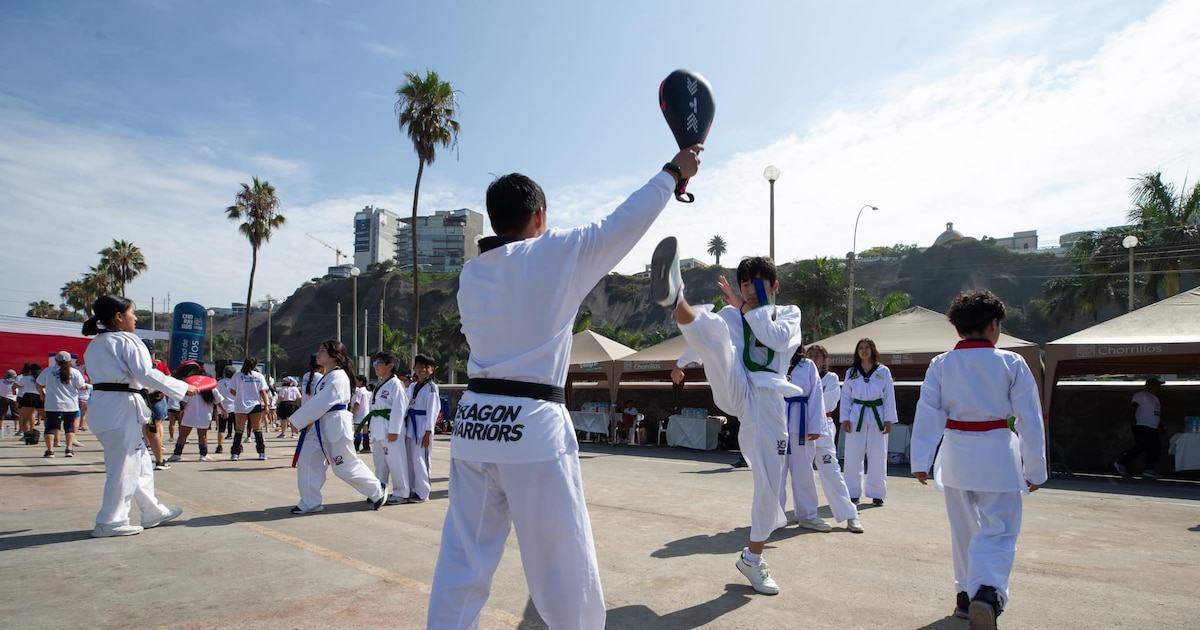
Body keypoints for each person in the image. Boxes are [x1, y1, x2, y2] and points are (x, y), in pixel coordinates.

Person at [428, 146, 702, 629]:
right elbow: (625, 222)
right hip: (532, 430)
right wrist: (673, 172)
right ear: (539, 215)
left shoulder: (472, 274)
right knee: (565, 574)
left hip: (474, 427)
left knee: (462, 565)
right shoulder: (555, 253)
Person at [649, 239, 801, 596]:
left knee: (769, 486)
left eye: (756, 284)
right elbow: (708, 338)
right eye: (744, 284)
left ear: (774, 286)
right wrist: (681, 363)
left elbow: (775, 337)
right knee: (718, 334)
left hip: (769, 401)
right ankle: (676, 298)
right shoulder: (734, 314)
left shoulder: (788, 313)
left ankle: (752, 558)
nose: (747, 290)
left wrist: (746, 309)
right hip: (739, 387)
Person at [911, 289, 1047, 628]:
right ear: (994, 325)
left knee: (963, 529)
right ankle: (986, 593)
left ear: (958, 329)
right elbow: (1029, 419)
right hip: (997, 454)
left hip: (955, 455)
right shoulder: (1011, 363)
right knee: (999, 530)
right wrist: (1035, 469)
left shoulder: (941, 364)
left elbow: (928, 413)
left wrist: (920, 460)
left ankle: (964, 596)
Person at [82, 295, 196, 537]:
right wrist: (183, 387)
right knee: (124, 466)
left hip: (105, 406)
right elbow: (145, 374)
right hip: (120, 408)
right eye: (132, 313)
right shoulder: (127, 340)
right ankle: (110, 521)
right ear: (118, 317)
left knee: (140, 461)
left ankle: (152, 511)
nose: (135, 318)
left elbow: (134, 378)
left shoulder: (96, 344)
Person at [286, 339, 385, 514]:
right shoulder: (327, 376)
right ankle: (310, 502)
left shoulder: (338, 376)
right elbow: (318, 403)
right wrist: (304, 421)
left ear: (334, 356)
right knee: (307, 460)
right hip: (320, 425)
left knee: (344, 466)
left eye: (322, 350)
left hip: (335, 425)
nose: (318, 354)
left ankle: (378, 490)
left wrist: (298, 420)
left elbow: (321, 402)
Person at [782, 347, 863, 534]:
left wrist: (807, 407)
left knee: (831, 470)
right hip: (796, 425)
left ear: (825, 360)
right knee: (799, 471)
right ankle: (801, 513)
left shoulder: (831, 378)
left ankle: (850, 515)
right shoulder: (793, 370)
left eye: (817, 356)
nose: (813, 358)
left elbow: (828, 402)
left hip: (821, 426)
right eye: (810, 355)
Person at [840, 338, 898, 506]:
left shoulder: (883, 371)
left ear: (873, 350)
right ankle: (852, 492)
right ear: (857, 352)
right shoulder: (852, 372)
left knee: (878, 455)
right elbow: (845, 397)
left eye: (867, 348)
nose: (864, 351)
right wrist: (844, 418)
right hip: (856, 415)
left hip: (877, 415)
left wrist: (888, 419)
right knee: (853, 455)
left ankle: (877, 493)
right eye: (861, 348)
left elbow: (889, 396)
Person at [364, 351, 410, 505]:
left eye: (379, 363)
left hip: (390, 429)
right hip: (378, 428)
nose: (375, 366)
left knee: (396, 462)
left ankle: (401, 492)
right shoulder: (380, 383)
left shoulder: (396, 384)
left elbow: (399, 409)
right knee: (380, 463)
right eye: (375, 363)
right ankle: (379, 491)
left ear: (390, 366)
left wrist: (394, 431)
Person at [401, 353, 438, 503]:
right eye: (419, 366)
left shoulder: (431, 388)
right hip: (411, 424)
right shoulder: (413, 386)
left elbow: (433, 412)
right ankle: (411, 490)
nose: (423, 369)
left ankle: (423, 492)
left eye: (426, 367)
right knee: (410, 460)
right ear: (414, 368)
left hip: (422, 427)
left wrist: (428, 432)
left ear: (432, 369)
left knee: (421, 459)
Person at [36, 351, 87, 457]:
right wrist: (87, 387)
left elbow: (39, 383)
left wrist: (42, 394)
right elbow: (80, 386)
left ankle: (50, 451)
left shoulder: (48, 371)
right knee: (69, 427)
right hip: (70, 404)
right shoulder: (75, 372)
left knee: (50, 427)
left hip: (53, 404)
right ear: (70, 361)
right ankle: (69, 449)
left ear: (56, 360)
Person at [1114, 377, 1165, 479]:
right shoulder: (1141, 395)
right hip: (1142, 425)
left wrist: (1160, 425)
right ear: (1149, 386)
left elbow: (1156, 413)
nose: (1159, 388)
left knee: (1154, 448)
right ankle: (1122, 462)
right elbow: (1133, 406)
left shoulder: (1155, 398)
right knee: (1141, 445)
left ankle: (1149, 469)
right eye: (1157, 386)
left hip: (1153, 427)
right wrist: (1133, 420)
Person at [168, 387, 227, 462]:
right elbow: (218, 400)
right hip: (204, 415)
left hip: (189, 414)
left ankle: (177, 454)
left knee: (183, 435)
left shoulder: (191, 388)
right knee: (203, 435)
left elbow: (184, 402)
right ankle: (203, 454)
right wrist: (223, 410)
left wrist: (182, 410)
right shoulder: (211, 388)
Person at [228, 358, 270, 462]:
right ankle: (261, 453)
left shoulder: (237, 376)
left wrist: (240, 396)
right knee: (257, 429)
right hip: (255, 405)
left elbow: (232, 390)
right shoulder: (259, 376)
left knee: (239, 430)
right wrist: (266, 405)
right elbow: (263, 392)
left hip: (240, 405)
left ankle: (235, 454)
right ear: (255, 365)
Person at [214, 365, 237, 453]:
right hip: (234, 407)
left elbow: (216, 394)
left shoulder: (220, 382)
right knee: (237, 428)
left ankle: (220, 446)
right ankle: (238, 445)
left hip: (223, 408)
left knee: (221, 428)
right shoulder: (235, 382)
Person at [16, 362, 42, 438]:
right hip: (39, 396)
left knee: (25, 418)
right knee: (43, 416)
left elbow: (15, 385)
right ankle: (50, 434)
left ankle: (27, 435)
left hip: (28, 396)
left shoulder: (25, 378)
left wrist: (14, 390)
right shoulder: (41, 378)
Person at [351, 374, 371, 453]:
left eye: (356, 381)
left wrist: (353, 414)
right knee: (365, 431)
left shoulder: (359, 391)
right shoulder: (366, 391)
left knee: (357, 431)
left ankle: (356, 447)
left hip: (359, 414)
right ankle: (366, 447)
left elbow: (357, 403)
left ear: (361, 382)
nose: (355, 382)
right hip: (365, 414)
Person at [2, 369, 20, 435]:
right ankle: (16, 427)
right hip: (14, 399)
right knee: (16, 414)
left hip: (3, 398)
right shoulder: (17, 382)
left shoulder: (1, 381)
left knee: (1, 414)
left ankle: (1, 427)